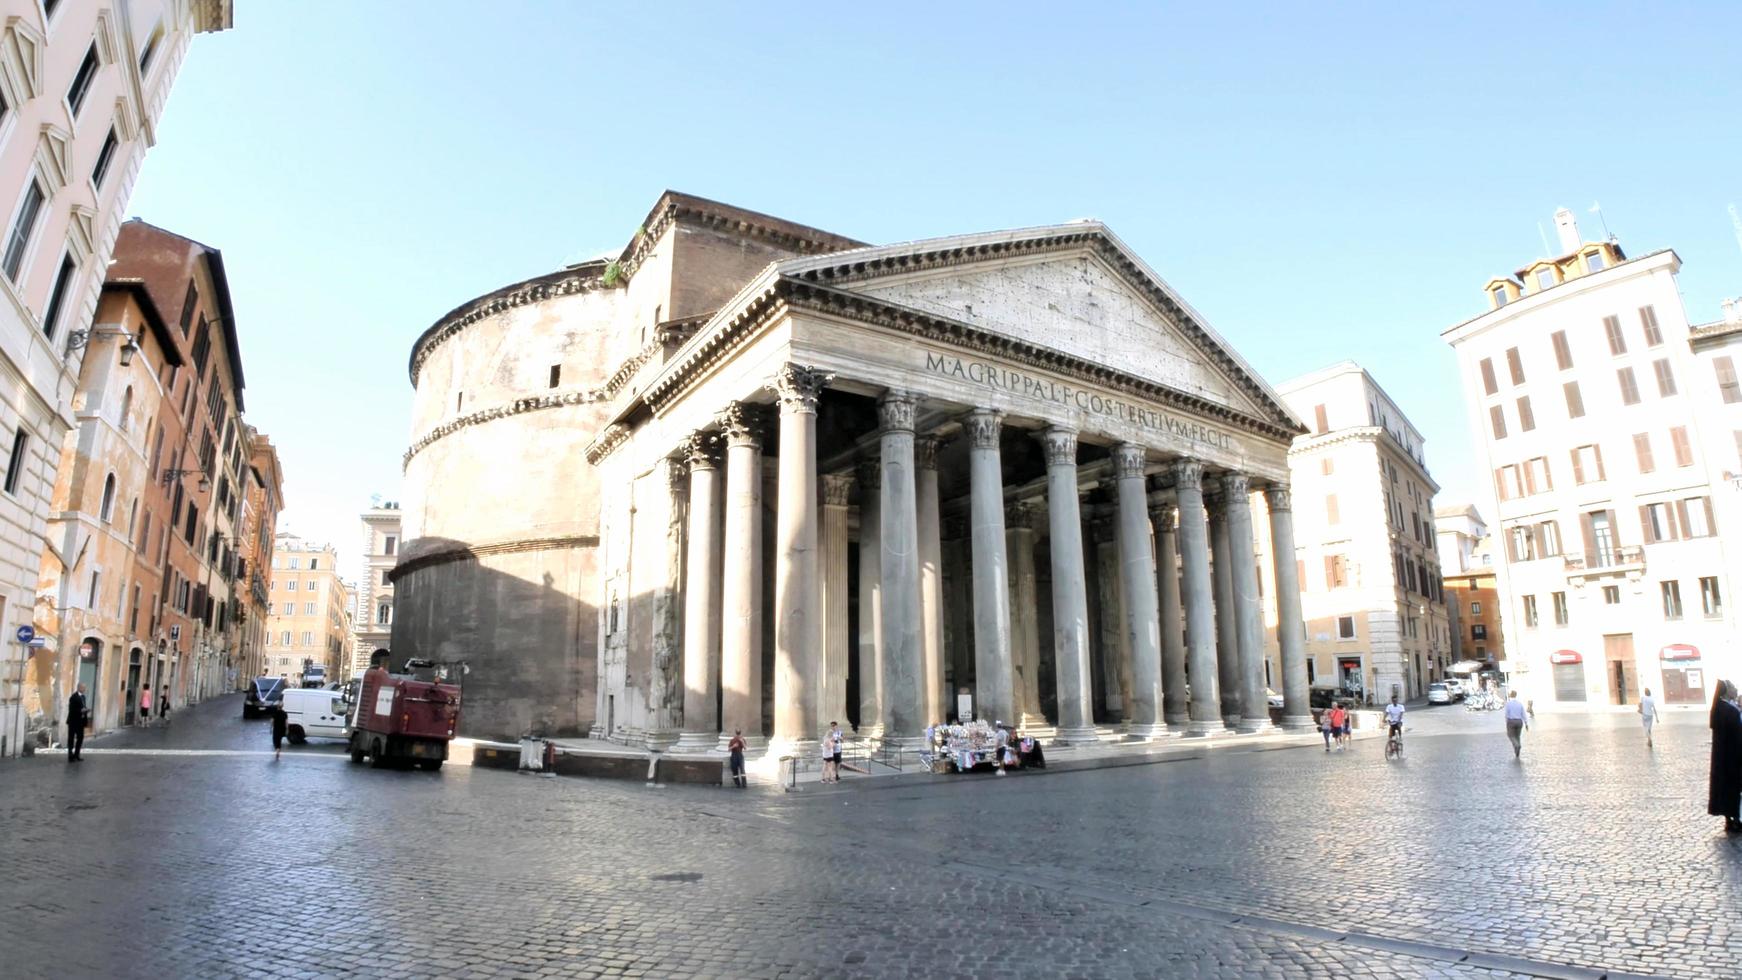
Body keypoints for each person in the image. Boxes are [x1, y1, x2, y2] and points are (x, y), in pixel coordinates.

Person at [1708, 680, 1741, 834]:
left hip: (1723, 757)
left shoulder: (1719, 709)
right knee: (1733, 789)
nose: (1736, 690)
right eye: (1734, 688)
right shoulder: (1730, 711)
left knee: (1727, 788)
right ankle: (1734, 820)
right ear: (1727, 691)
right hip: (1733, 756)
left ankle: (1730, 820)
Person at [1504, 689, 1529, 759]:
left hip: (1511, 721)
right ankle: (1517, 751)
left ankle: (1517, 745)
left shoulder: (1508, 704)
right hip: (1519, 722)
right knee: (1517, 736)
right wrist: (1526, 723)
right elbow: (1523, 714)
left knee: (1511, 735)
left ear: (1510, 695)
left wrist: (1506, 722)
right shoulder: (1520, 704)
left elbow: (1506, 714)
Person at [66, 684, 87, 762]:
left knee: (80, 738)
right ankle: (70, 755)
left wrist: (85, 710)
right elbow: (71, 709)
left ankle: (77, 754)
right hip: (73, 721)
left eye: (84, 688)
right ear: (78, 688)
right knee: (71, 738)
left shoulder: (83, 697)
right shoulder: (73, 697)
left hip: (81, 722)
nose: (84, 689)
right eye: (83, 687)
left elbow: (83, 706)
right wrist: (80, 711)